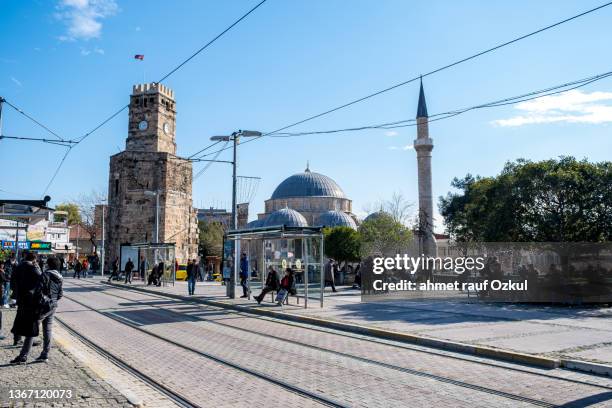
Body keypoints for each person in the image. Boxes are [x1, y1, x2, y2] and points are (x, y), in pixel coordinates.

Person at [10, 252, 44, 364]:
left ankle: (18, 339)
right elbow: (41, 279)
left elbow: (12, 280)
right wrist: (38, 267)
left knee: (19, 319)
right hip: (31, 300)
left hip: (21, 298)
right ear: (34, 259)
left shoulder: (19, 266)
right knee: (31, 325)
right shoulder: (33, 268)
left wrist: (15, 295)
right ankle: (25, 351)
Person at [36, 256, 63, 362]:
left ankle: (24, 354)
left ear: (48, 264)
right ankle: (45, 353)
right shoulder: (60, 277)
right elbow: (60, 294)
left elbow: (39, 290)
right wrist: (53, 300)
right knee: (47, 330)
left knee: (33, 325)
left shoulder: (45, 274)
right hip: (53, 306)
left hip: (44, 306)